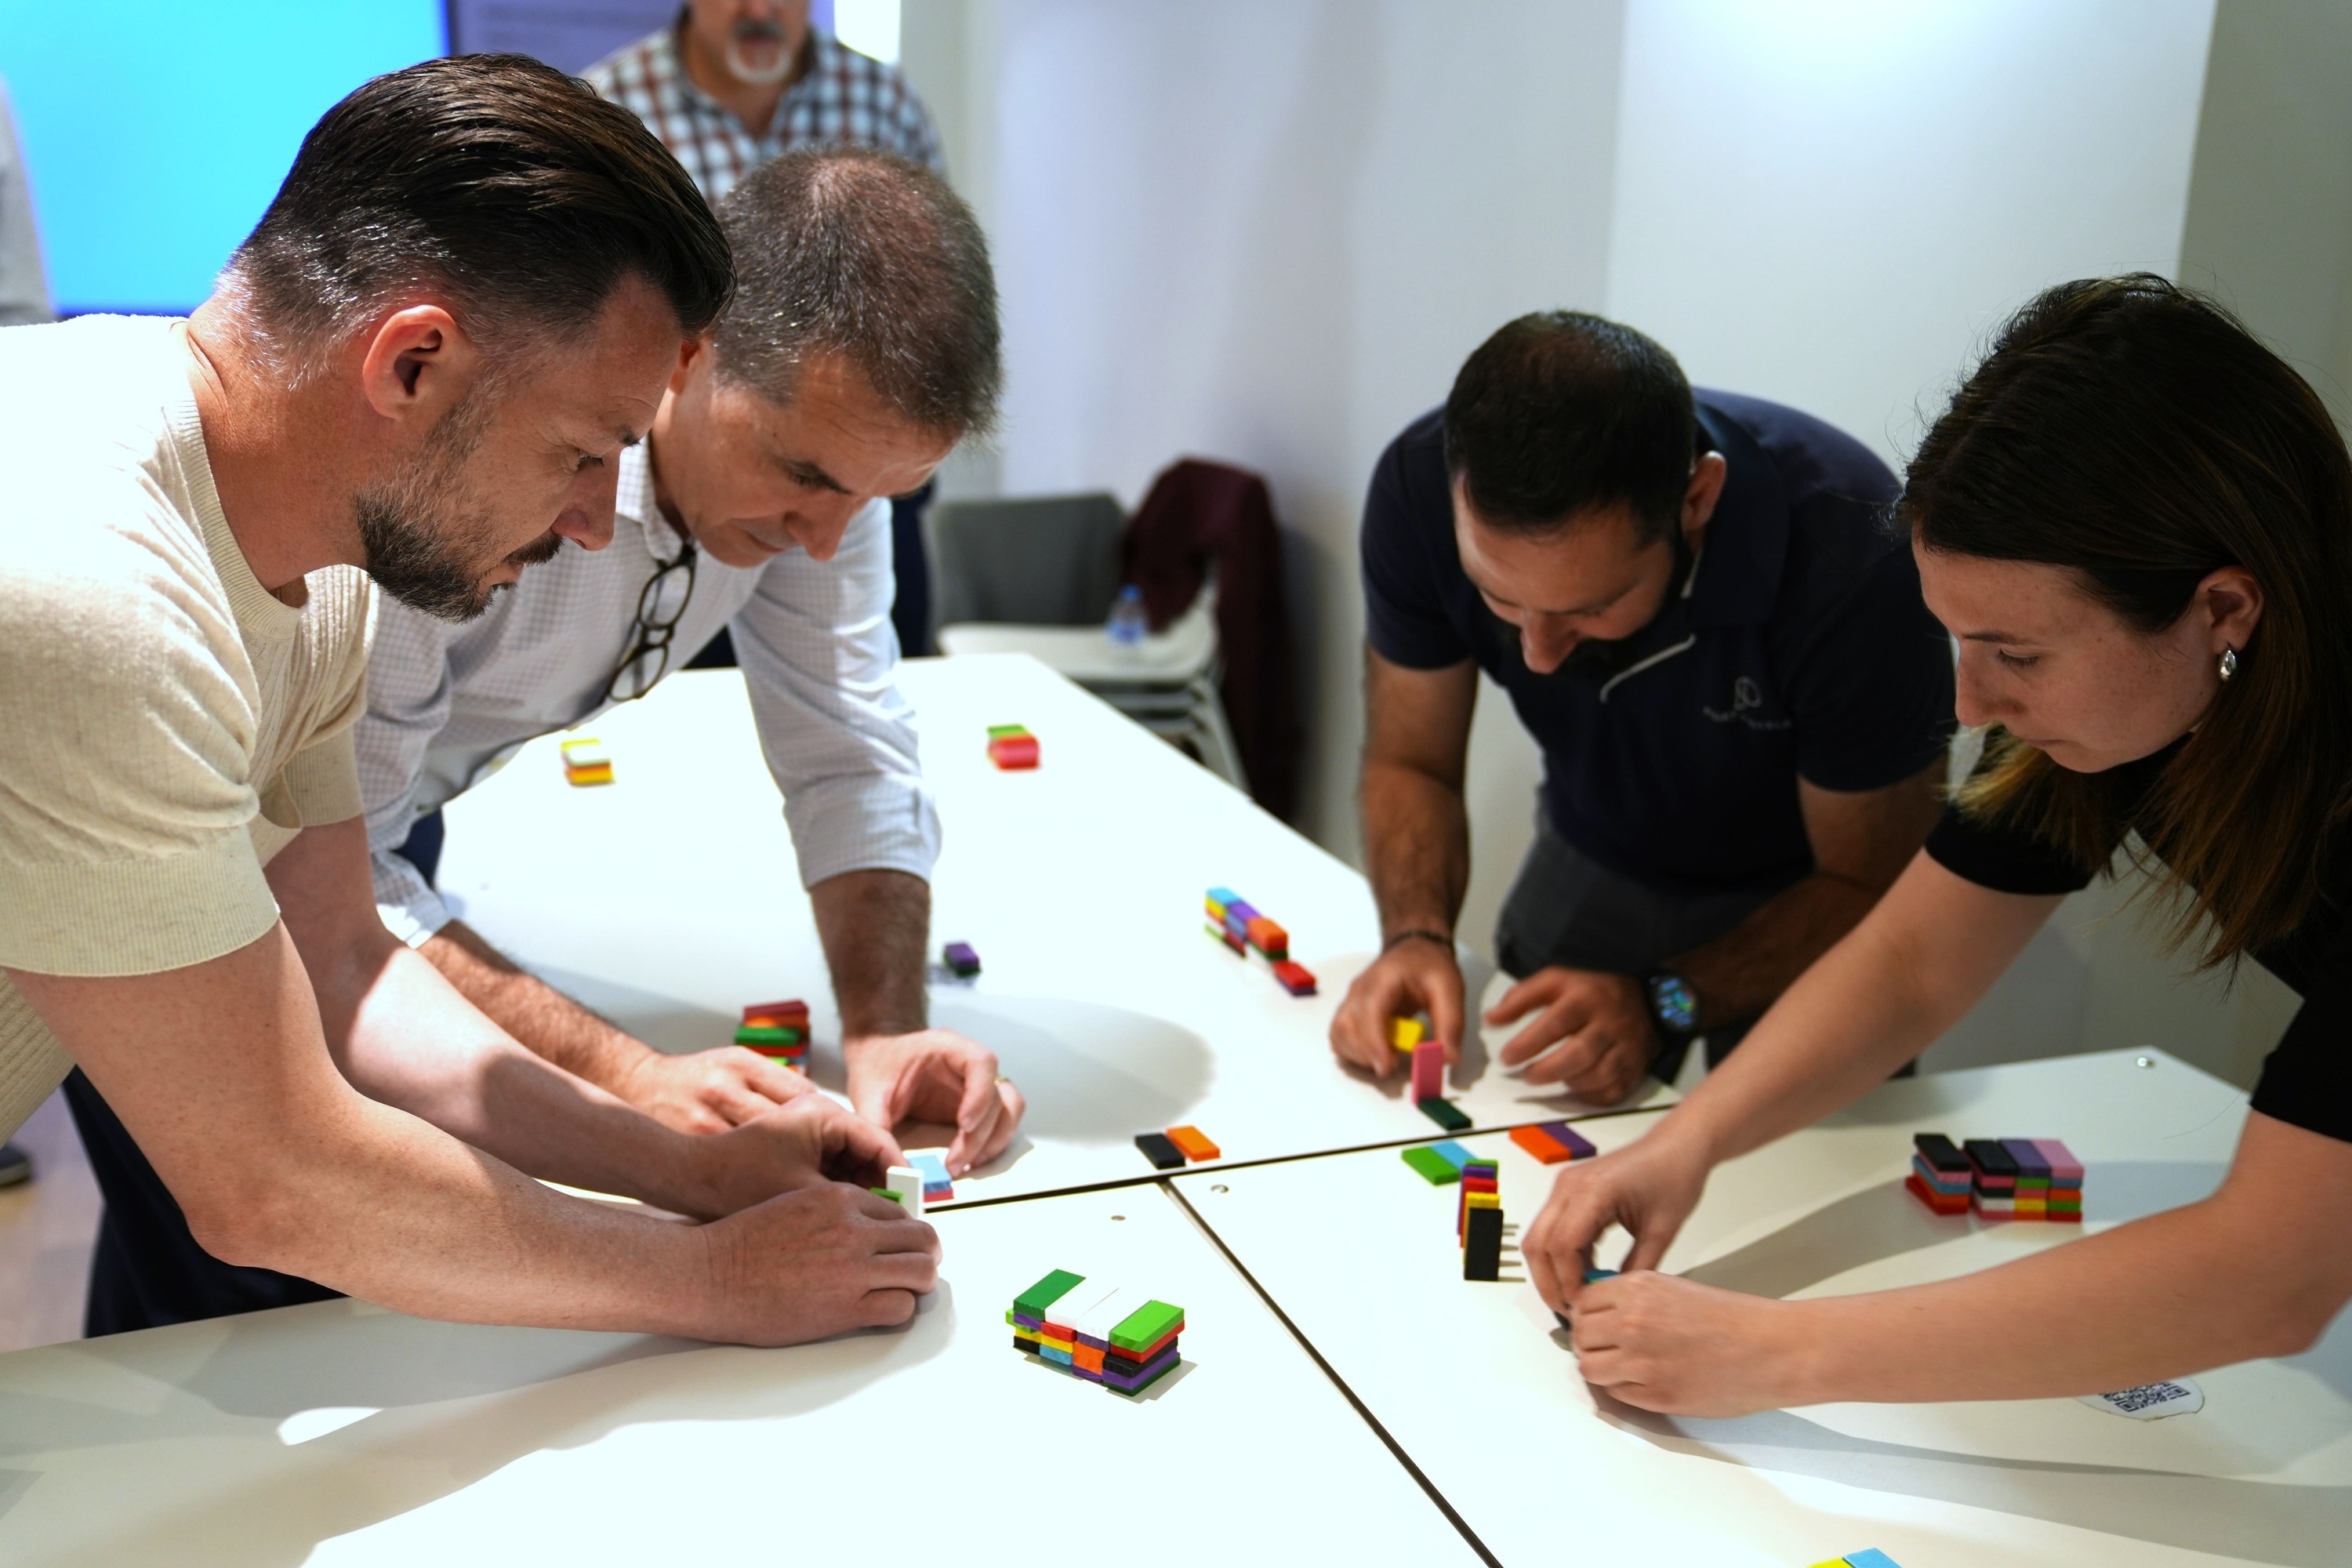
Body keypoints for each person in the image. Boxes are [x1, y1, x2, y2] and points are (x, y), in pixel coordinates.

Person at [4, 55, 937, 1343]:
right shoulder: (94, 590)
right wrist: (707, 1281)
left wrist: (680, 1160)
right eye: (578, 452)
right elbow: (267, 1179)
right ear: (413, 364)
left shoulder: (318, 568)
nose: (588, 519)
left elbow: (346, 962)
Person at [1527, 274, 2352, 1415]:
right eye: (1956, 641)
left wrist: (1777, 1355)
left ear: (2224, 610)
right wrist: (1688, 1140)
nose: (1967, 705)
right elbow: (1917, 959)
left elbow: (2274, 1275)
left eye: (2014, 653)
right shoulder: (2140, 715)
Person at [358, 146, 1018, 1163]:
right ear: (690, 351)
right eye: (800, 474)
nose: (826, 540)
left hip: (392, 814)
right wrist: (633, 1076)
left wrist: (884, 1028)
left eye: (871, 497)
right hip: (215, 842)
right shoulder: (475, 455)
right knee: (235, 1275)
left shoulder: (828, 484)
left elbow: (848, 748)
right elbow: (326, 882)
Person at [1330, 313, 1954, 1104]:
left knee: (1799, 1183)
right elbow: (1408, 758)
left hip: (1812, 896)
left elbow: (1873, 885)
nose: (1538, 655)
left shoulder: (1854, 561)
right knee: (1519, 1139)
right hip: (1593, 844)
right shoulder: (1416, 487)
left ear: (1697, 498)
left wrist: (1665, 999)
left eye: (1589, 607)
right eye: (1499, 597)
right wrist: (1415, 936)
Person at [586, 0, 950, 658]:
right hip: (683, 480)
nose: (761, 9)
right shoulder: (610, 113)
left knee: (860, 678)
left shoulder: (883, 102)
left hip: (859, 470)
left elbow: (934, 301)